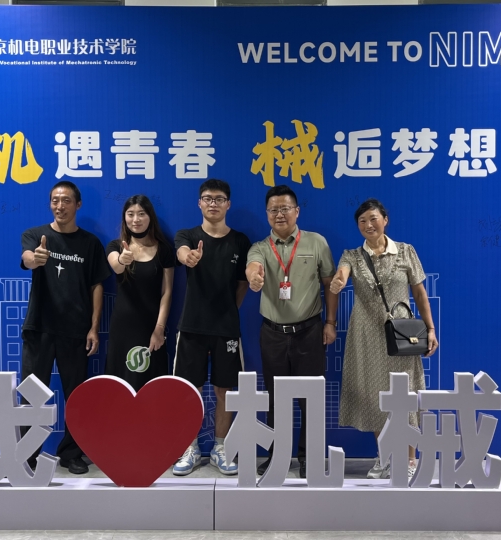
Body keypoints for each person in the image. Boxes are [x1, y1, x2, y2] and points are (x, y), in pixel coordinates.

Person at [328, 199, 439, 482]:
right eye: (362, 221)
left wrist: (430, 329)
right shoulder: (352, 256)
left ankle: (410, 459)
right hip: (366, 336)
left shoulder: (405, 251)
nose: (368, 225)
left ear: (385, 220)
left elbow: (420, 293)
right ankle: (386, 456)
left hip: (401, 335)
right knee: (374, 397)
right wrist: (339, 280)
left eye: (373, 218)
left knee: (405, 396)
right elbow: (342, 273)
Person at [20, 181, 111, 474]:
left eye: (66, 200)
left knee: (76, 396)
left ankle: (71, 453)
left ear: (78, 205)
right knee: (32, 394)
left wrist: (93, 327)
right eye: (55, 200)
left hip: (76, 331)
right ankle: (26, 455)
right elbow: (27, 258)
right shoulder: (35, 235)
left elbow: (97, 286)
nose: (60, 206)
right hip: (40, 327)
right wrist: (35, 259)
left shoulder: (90, 243)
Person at [246, 185, 337, 479]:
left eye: (285, 208)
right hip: (272, 333)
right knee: (275, 399)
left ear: (297, 211)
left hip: (309, 331)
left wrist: (330, 322)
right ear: (267, 214)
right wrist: (254, 277)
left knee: (310, 398)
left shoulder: (316, 242)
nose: (279, 214)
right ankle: (278, 457)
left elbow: (330, 283)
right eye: (273, 210)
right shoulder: (260, 247)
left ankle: (309, 457)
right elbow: (253, 267)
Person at [172, 179, 251, 476]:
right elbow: (181, 252)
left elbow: (242, 284)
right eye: (207, 198)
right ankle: (190, 448)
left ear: (228, 204)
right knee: (189, 391)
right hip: (191, 326)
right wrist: (188, 257)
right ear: (199, 203)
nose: (213, 203)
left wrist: (228, 310)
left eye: (219, 199)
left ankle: (220, 447)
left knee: (224, 391)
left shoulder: (240, 241)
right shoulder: (188, 235)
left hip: (226, 328)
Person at [105, 195, 175, 390]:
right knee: (120, 386)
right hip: (122, 328)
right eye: (130, 214)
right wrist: (123, 259)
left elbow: (167, 292)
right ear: (124, 218)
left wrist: (159, 329)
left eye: (141, 214)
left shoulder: (164, 250)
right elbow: (116, 267)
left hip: (152, 328)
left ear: (150, 216)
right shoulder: (115, 246)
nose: (135, 219)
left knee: (151, 387)